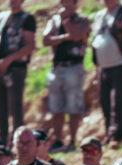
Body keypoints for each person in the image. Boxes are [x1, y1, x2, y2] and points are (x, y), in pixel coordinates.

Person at [91, 0, 122, 143]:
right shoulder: (100, 15)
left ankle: (119, 135)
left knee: (120, 102)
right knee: (105, 102)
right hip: (104, 67)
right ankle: (110, 133)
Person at [0, 0, 37, 144]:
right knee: (0, 108)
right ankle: (2, 140)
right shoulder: (0, 17)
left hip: (16, 68)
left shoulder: (27, 19)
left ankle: (19, 141)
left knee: (15, 107)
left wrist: (9, 60)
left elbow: (30, 45)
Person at [43, 0, 90, 151]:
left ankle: (72, 140)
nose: (64, 3)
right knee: (56, 106)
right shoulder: (54, 20)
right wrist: (64, 37)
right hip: (57, 67)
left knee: (73, 106)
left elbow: (77, 36)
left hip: (74, 66)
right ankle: (58, 139)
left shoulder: (82, 20)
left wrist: (65, 21)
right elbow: (45, 39)